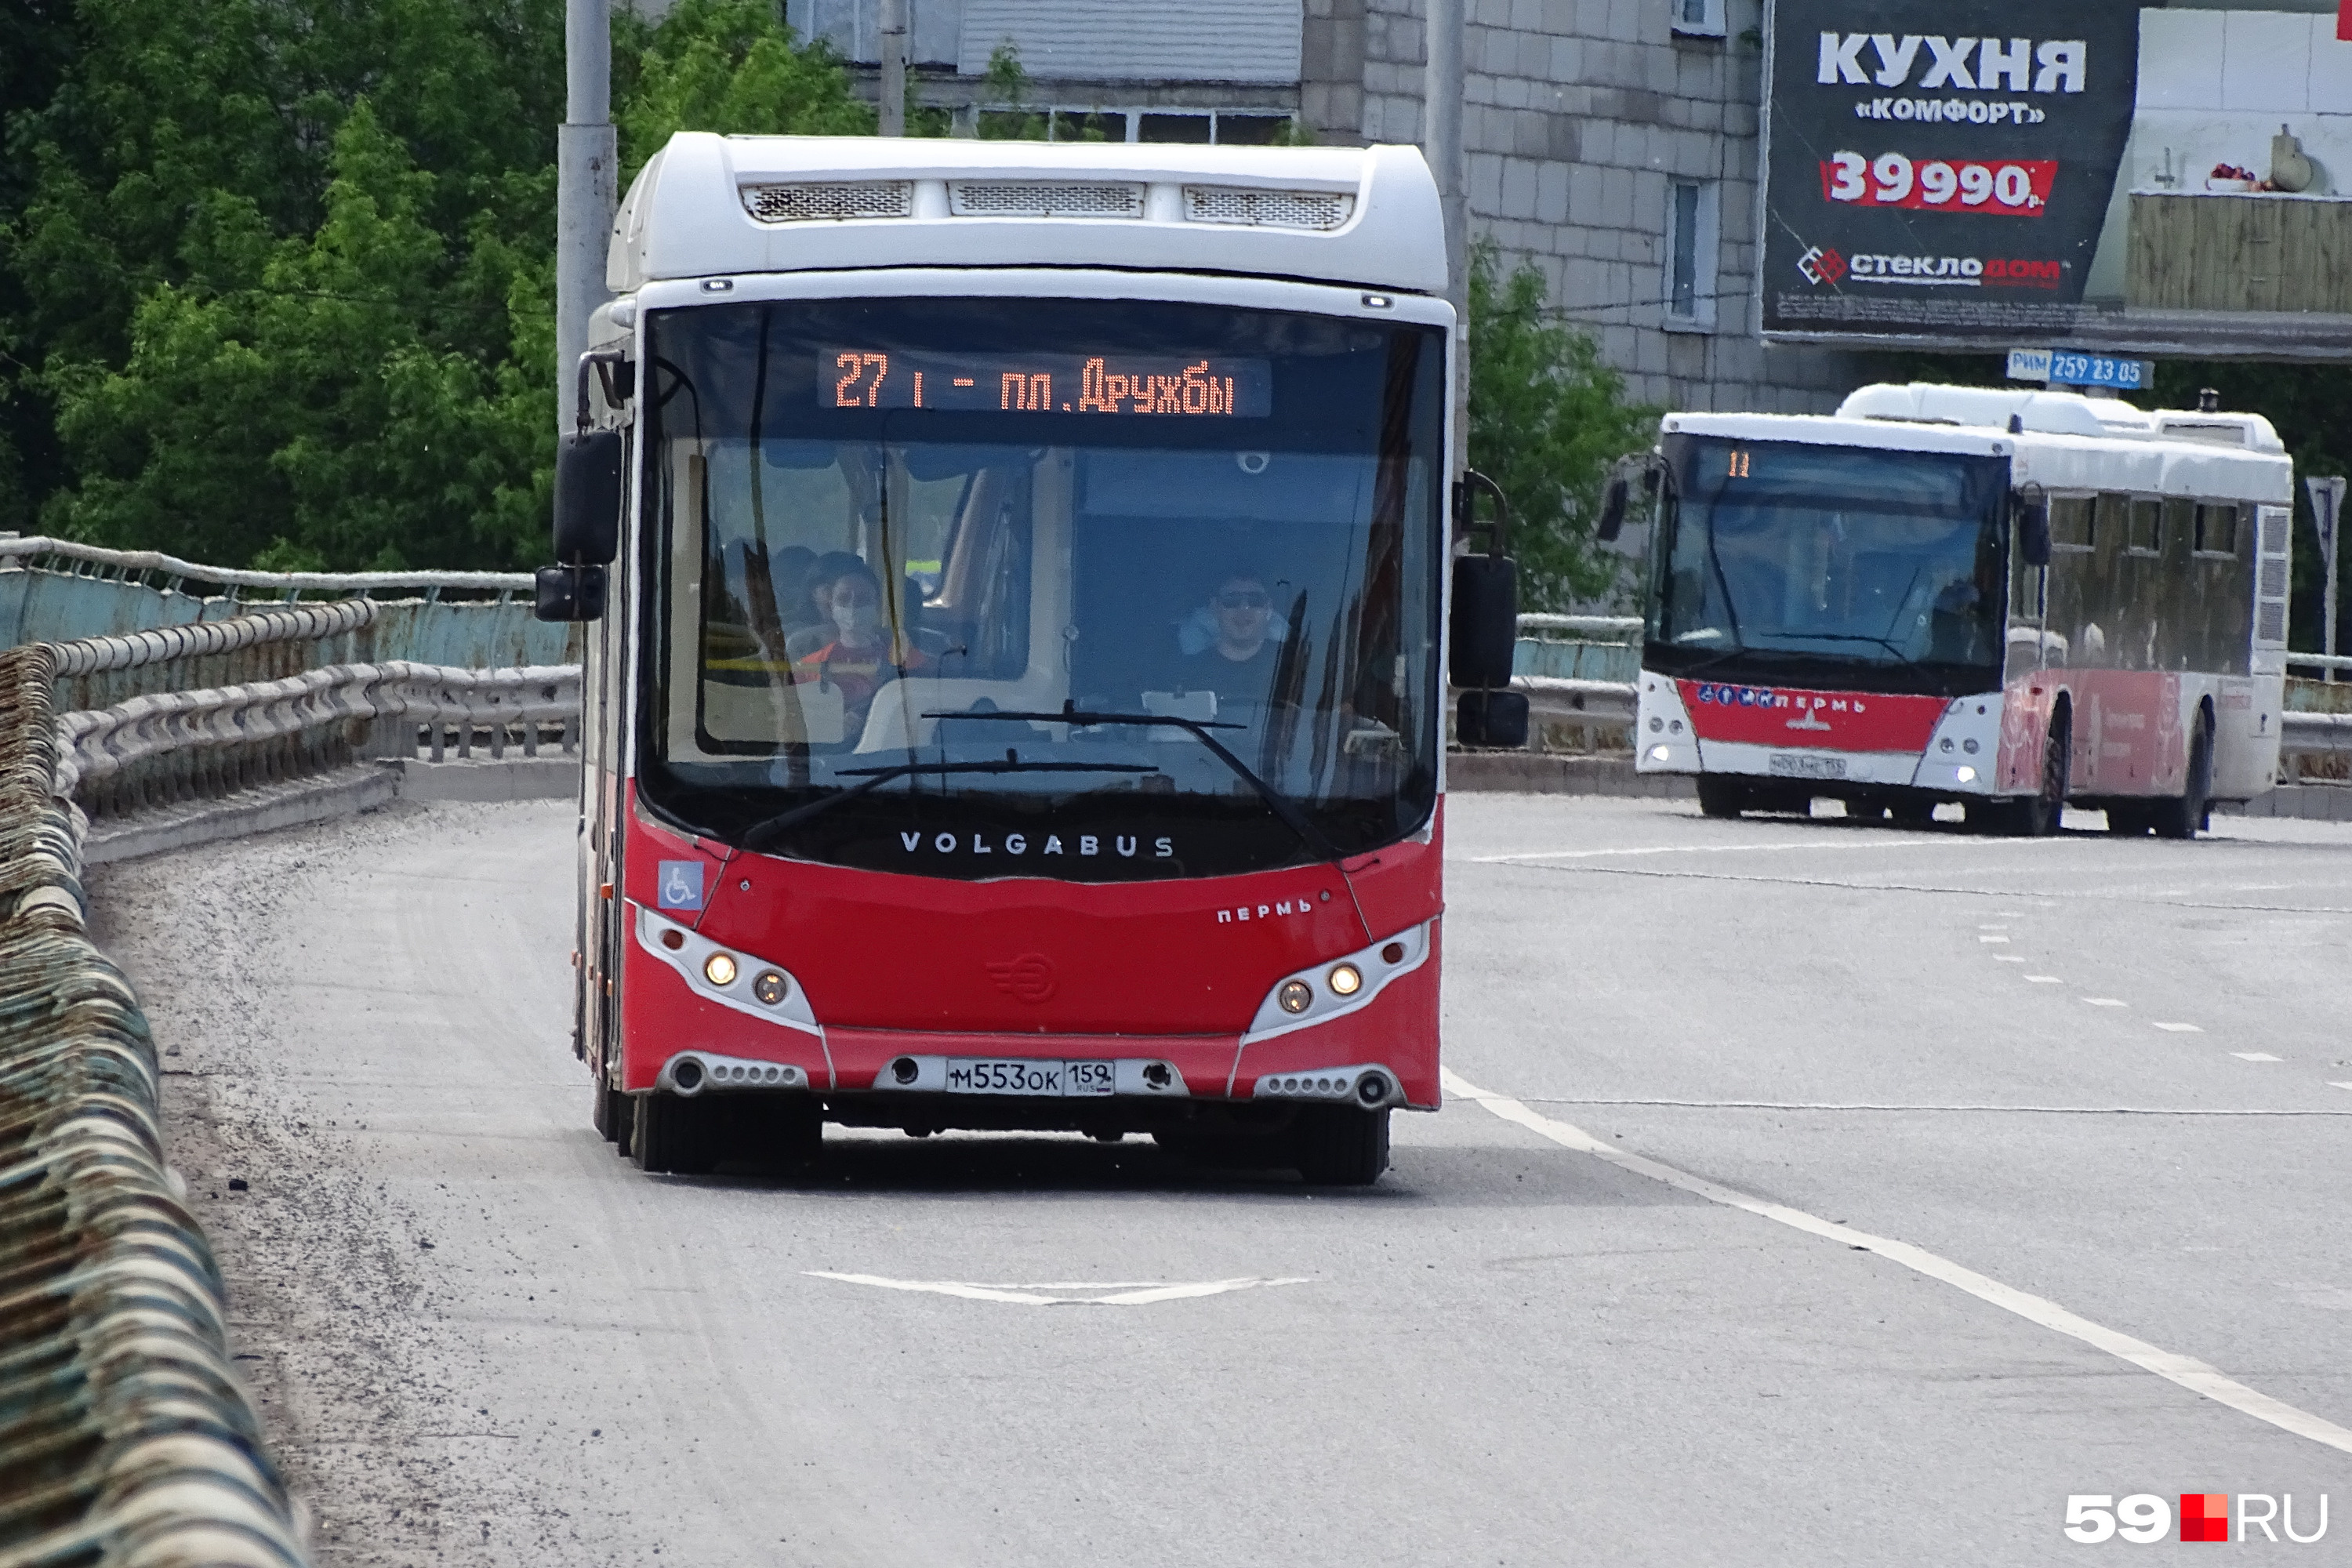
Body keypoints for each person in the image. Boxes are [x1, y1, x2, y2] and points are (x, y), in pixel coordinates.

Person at [792, 558, 926, 734]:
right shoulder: (807, 668)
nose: (853, 606)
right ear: (831, 606)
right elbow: (794, 724)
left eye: (863, 600)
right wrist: (832, 725)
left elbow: (925, 703)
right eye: (843, 599)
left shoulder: (907, 658)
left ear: (877, 605)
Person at [1176, 568, 1286, 710]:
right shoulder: (1187, 674)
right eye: (1232, 600)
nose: (1244, 608)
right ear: (1215, 608)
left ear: (1268, 608)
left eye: (1255, 600)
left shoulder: (1290, 665)